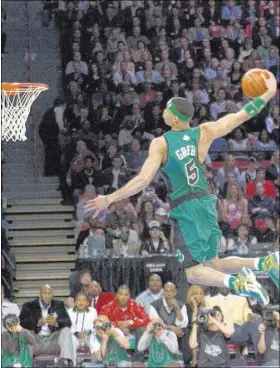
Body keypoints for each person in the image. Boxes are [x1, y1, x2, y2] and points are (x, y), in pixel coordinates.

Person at [84, 72, 279, 305]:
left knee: (193, 273)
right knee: (213, 263)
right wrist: (266, 95)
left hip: (186, 208)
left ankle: (240, 283)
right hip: (206, 203)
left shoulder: (162, 143)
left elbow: (142, 180)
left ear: (175, 118)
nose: (164, 112)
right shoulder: (203, 133)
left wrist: (109, 198)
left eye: (167, 110)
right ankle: (263, 263)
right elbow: (239, 116)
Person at [19, 284, 74, 366]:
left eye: (49, 293)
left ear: (52, 294)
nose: (47, 296)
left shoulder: (59, 305)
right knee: (24, 332)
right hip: (35, 340)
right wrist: (37, 323)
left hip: (53, 340)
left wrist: (56, 322)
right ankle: (26, 364)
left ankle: (65, 363)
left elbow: (68, 322)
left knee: (66, 330)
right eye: (45, 293)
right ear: (39, 294)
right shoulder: (29, 306)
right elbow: (22, 323)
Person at [67, 292, 98, 365]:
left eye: (84, 300)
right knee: (71, 340)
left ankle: (95, 364)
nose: (81, 302)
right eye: (79, 300)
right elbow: (67, 327)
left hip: (88, 336)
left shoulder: (93, 311)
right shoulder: (69, 311)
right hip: (75, 336)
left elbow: (96, 326)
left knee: (94, 341)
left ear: (87, 303)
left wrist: (89, 332)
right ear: (75, 302)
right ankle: (73, 364)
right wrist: (76, 333)